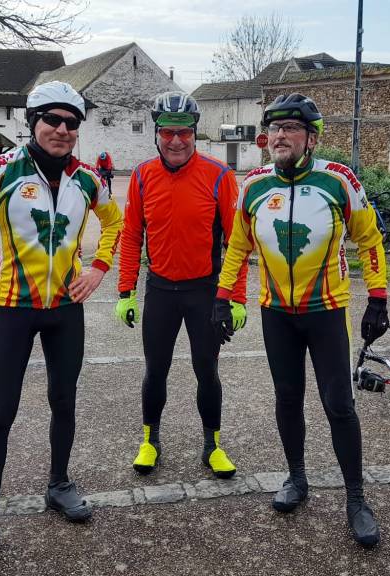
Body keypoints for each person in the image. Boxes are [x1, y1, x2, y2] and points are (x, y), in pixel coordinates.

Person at [0, 80, 123, 575]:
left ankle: (59, 484)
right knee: (0, 414)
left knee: (64, 401)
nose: (62, 129)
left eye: (71, 123)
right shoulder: (1, 170)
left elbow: (116, 223)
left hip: (66, 309)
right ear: (32, 122)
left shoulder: (88, 179)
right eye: (52, 120)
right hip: (13, 310)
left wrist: (99, 269)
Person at [211, 93, 389, 548]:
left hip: (326, 311)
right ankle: (297, 478)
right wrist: (223, 296)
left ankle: (356, 499)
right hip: (276, 313)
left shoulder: (338, 180)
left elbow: (369, 239)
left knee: (339, 404)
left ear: (311, 138)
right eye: (274, 128)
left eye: (291, 128)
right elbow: (237, 246)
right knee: (287, 399)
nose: (280, 136)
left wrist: (378, 298)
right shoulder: (254, 186)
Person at [115, 91, 249, 480]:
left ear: (195, 133)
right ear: (156, 133)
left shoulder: (219, 175)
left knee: (206, 370)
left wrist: (235, 298)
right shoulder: (142, 175)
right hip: (160, 292)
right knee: (155, 370)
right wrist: (125, 292)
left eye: (184, 132)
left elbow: (237, 242)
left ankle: (213, 446)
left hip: (204, 292)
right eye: (168, 132)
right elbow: (131, 236)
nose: (176, 141)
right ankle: (150, 441)